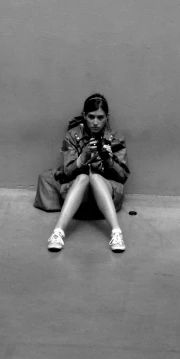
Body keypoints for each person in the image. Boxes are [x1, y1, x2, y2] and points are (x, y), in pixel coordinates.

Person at [33, 93, 130, 253]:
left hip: (108, 194)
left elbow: (122, 177)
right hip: (78, 193)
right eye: (91, 117)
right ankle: (58, 233)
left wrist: (108, 160)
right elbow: (66, 172)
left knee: (95, 177)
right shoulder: (72, 135)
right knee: (85, 177)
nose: (95, 122)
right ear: (84, 115)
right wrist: (82, 158)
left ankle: (116, 233)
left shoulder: (116, 138)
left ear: (107, 117)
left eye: (100, 117)